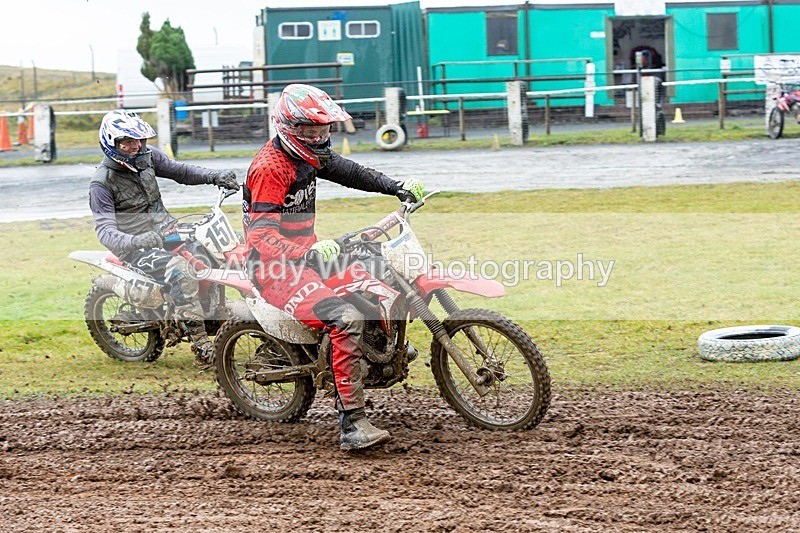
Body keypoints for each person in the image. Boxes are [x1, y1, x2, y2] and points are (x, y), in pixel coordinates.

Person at [244, 84, 424, 451]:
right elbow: (260, 236)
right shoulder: (270, 168)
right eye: (311, 131)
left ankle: (379, 351)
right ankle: (352, 423)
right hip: (275, 270)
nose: (319, 137)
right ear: (290, 129)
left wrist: (396, 186)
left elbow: (351, 172)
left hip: (308, 256)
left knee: (379, 273)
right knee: (345, 318)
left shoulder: (310, 156)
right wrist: (307, 253)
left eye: (324, 129)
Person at [89, 110, 240, 368]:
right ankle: (201, 344)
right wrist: (138, 240)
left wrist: (214, 176)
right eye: (127, 142)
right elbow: (104, 230)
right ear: (111, 143)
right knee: (182, 270)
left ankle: (217, 313)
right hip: (136, 247)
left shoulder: (147, 157)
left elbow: (180, 171)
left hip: (167, 231)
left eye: (139, 140)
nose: (136, 146)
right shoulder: (101, 183)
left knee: (219, 249)